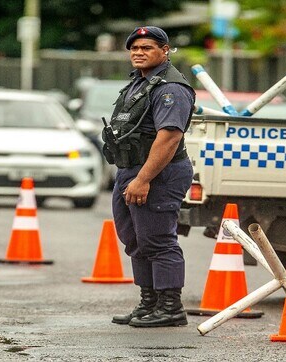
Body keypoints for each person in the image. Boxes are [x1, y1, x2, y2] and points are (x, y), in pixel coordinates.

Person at [105, 26, 194, 327]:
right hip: (130, 169)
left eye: (147, 47)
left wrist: (143, 179)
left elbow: (168, 138)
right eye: (135, 48)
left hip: (158, 173)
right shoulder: (139, 83)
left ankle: (171, 307)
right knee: (135, 240)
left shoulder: (171, 88)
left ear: (165, 51)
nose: (139, 53)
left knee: (158, 239)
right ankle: (149, 302)